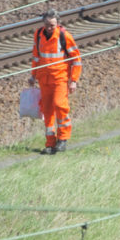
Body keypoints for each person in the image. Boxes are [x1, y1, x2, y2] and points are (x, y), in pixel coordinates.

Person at [29, 9, 81, 154]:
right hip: (44, 79)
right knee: (47, 110)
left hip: (60, 78)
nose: (49, 28)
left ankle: (63, 139)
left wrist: (74, 80)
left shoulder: (64, 36)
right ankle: (50, 144)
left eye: (52, 25)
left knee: (60, 105)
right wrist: (33, 76)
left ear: (58, 24)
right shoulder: (38, 35)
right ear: (43, 23)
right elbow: (36, 57)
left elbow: (76, 60)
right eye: (47, 24)